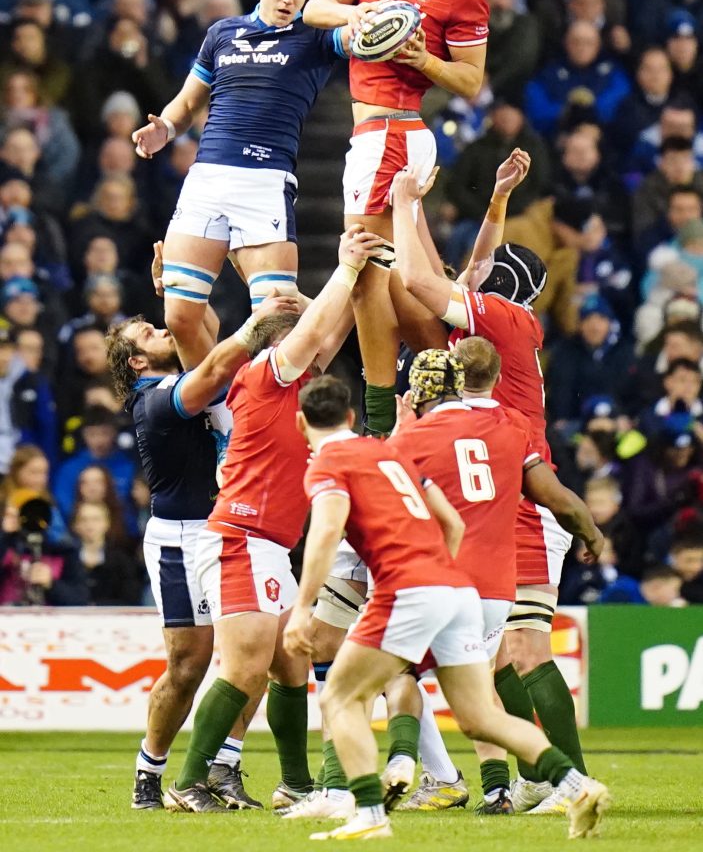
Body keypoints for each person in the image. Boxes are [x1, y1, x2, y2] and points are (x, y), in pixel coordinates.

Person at [283, 373, 610, 841]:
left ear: (300, 423)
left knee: (340, 695)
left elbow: (327, 532)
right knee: (481, 717)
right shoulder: (388, 452)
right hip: (455, 586)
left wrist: (300, 608)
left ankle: (369, 814)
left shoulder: (329, 463)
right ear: (352, 418)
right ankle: (577, 785)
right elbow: (450, 521)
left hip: (405, 590)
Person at [391, 165, 591, 815]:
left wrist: (400, 203)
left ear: (494, 290)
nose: (466, 277)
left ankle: (569, 782)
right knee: (485, 646)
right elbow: (467, 270)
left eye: (478, 276)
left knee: (522, 646)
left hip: (528, 498)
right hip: (506, 492)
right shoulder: (505, 321)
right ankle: (532, 775)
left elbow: (424, 280)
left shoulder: (497, 320)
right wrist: (497, 198)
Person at [164, 225, 384, 813]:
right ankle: (188, 782)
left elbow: (329, 332)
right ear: (281, 348)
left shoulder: (292, 384)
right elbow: (315, 331)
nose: (317, 358)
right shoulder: (264, 376)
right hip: (241, 537)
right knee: (244, 667)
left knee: (291, 662)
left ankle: (295, 782)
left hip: (266, 543)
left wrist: (356, 277)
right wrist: (342, 266)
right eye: (302, 350)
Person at [302, 0, 489, 435]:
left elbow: (471, 81)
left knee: (361, 266)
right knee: (391, 277)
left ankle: (382, 416)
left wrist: (422, 58)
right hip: (376, 135)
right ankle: (449, 391)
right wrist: (361, 9)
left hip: (394, 132)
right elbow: (317, 9)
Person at [388, 341, 602, 814]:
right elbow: (557, 497)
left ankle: (396, 773)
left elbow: (374, 487)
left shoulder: (416, 436)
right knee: (480, 701)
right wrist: (590, 531)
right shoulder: (511, 427)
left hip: (438, 582)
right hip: (495, 589)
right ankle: (541, 786)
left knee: (394, 673)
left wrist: (401, 429)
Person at [107, 290, 299, 811]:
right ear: (137, 362)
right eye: (149, 333)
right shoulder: (153, 399)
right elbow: (215, 363)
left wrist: (181, 293)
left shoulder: (188, 372)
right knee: (189, 665)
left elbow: (201, 331)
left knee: (259, 653)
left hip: (233, 529)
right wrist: (257, 322)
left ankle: (225, 766)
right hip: (181, 538)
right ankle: (150, 771)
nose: (163, 330)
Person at [131, 0, 353, 370]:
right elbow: (189, 100)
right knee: (180, 317)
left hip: (265, 183)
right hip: (207, 178)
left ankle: (279, 417)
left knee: (278, 328)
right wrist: (167, 128)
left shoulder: (315, 36)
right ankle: (218, 417)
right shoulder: (223, 33)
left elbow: (366, 34)